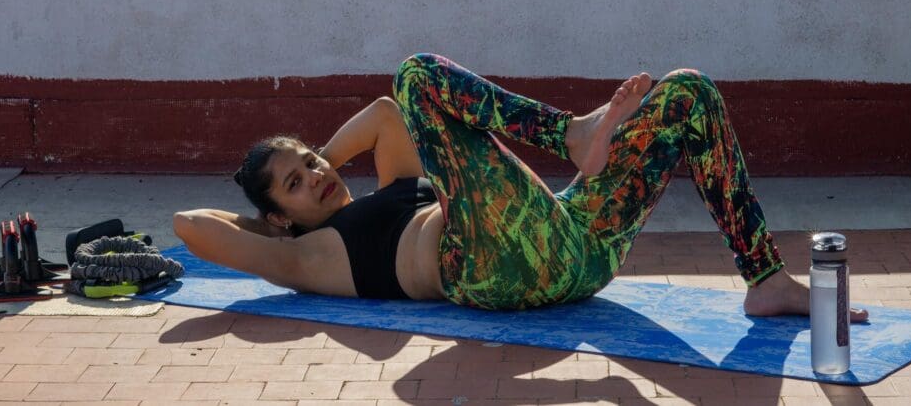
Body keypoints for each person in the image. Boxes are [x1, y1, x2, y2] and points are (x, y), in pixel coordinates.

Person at [174, 53, 868, 320]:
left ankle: (764, 277)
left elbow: (385, 119)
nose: (319, 176)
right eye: (296, 183)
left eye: (312, 163)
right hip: (492, 264)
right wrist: (270, 229)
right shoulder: (309, 256)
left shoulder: (394, 185)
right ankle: (569, 134)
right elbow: (189, 224)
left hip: (573, 245)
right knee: (416, 74)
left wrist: (319, 155)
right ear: (280, 218)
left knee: (689, 91)